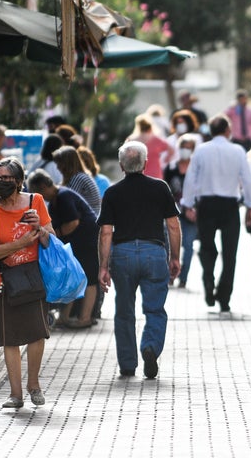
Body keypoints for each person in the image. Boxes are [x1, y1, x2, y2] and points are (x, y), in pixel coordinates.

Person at [98, 141, 181, 379]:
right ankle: (150, 347)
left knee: (123, 310)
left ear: (122, 166)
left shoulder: (112, 192)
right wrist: (175, 257)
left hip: (122, 254)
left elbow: (105, 232)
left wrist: (103, 266)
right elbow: (173, 226)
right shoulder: (160, 188)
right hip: (154, 253)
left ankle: (127, 364)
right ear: (145, 163)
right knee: (155, 309)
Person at [0, 157, 54, 409]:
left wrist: (40, 229)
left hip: (32, 278)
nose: (1, 183)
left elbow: (51, 240)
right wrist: (20, 244)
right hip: (1, 281)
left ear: (19, 181)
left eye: (7, 179)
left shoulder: (36, 202)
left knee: (36, 333)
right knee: (9, 338)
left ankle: (34, 385)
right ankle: (16, 394)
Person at [181, 114, 251, 313]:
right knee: (230, 253)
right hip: (229, 206)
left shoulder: (201, 151)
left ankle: (208, 280)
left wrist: (188, 204)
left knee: (207, 248)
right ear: (227, 130)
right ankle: (224, 297)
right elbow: (247, 180)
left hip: (206, 205)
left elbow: (191, 178)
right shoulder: (238, 151)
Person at [27, 169, 98, 329]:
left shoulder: (64, 196)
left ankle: (85, 318)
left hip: (87, 241)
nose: (39, 197)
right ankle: (64, 317)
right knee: (71, 276)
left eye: (38, 192)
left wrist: (54, 235)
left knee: (89, 278)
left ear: (44, 186)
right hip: (76, 243)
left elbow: (73, 223)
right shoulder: (54, 201)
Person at [163, 135, 198, 288]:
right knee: (169, 243)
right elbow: (164, 191)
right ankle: (170, 274)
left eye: (189, 147)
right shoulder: (171, 168)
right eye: (183, 146)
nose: (186, 150)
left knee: (189, 246)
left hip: (191, 213)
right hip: (172, 212)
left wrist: (195, 210)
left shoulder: (197, 169)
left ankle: (183, 278)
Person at [53, 145, 102, 215]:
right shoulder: (77, 176)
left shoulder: (78, 178)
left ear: (67, 164)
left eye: (59, 164)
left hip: (88, 221)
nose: (57, 167)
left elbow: (66, 201)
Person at [126, 114, 174, 179]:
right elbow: (171, 150)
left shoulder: (131, 140)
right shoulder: (156, 139)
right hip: (155, 174)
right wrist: (166, 159)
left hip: (136, 174)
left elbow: (125, 155)